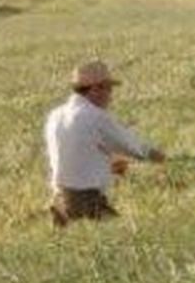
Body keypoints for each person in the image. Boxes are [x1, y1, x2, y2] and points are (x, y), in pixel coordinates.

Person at [44, 60, 166, 226]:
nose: (111, 95)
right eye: (108, 88)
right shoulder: (96, 116)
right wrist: (160, 158)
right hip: (86, 201)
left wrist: (106, 166)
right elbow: (132, 146)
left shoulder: (55, 115)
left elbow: (74, 155)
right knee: (124, 241)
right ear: (96, 89)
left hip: (59, 202)